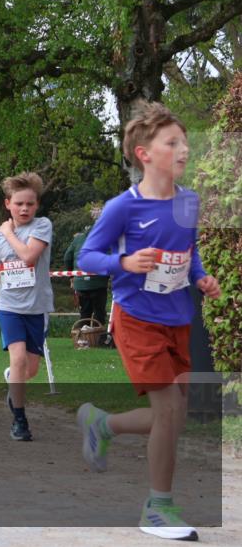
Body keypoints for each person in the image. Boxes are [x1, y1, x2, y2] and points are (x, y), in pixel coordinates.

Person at [77, 102, 220, 542]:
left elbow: (189, 251)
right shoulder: (124, 207)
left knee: (172, 419)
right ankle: (158, 508)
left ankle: (103, 424)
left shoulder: (189, 202)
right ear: (144, 153)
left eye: (184, 142)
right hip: (137, 319)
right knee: (172, 409)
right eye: (172, 142)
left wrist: (200, 277)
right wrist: (125, 262)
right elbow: (87, 257)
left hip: (177, 318)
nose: (183, 150)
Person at [0, 172, 53, 442]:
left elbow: (29, 257)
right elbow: (0, 273)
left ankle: (12, 378)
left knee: (30, 370)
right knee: (17, 360)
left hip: (36, 307)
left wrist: (8, 231)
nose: (24, 208)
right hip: (9, 306)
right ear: (8, 204)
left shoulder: (42, 226)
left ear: (37, 205)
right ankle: (19, 420)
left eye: (29, 203)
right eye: (19, 204)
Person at [64, 203, 111, 334]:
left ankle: (81, 338)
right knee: (99, 313)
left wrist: (72, 276)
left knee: (84, 313)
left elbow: (67, 257)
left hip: (80, 283)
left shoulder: (78, 238)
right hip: (98, 282)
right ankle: (98, 338)